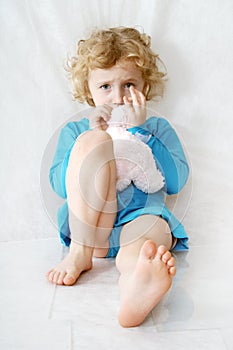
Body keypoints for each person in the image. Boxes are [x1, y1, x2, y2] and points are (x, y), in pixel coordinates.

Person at [46, 26, 189, 328]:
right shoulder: (77, 131)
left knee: (150, 241)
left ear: (144, 88)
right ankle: (80, 254)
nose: (119, 96)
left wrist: (140, 131)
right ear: (89, 92)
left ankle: (136, 289)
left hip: (139, 220)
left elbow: (177, 179)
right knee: (93, 145)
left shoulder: (157, 128)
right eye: (106, 87)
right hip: (93, 227)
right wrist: (91, 136)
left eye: (128, 84)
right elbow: (60, 184)